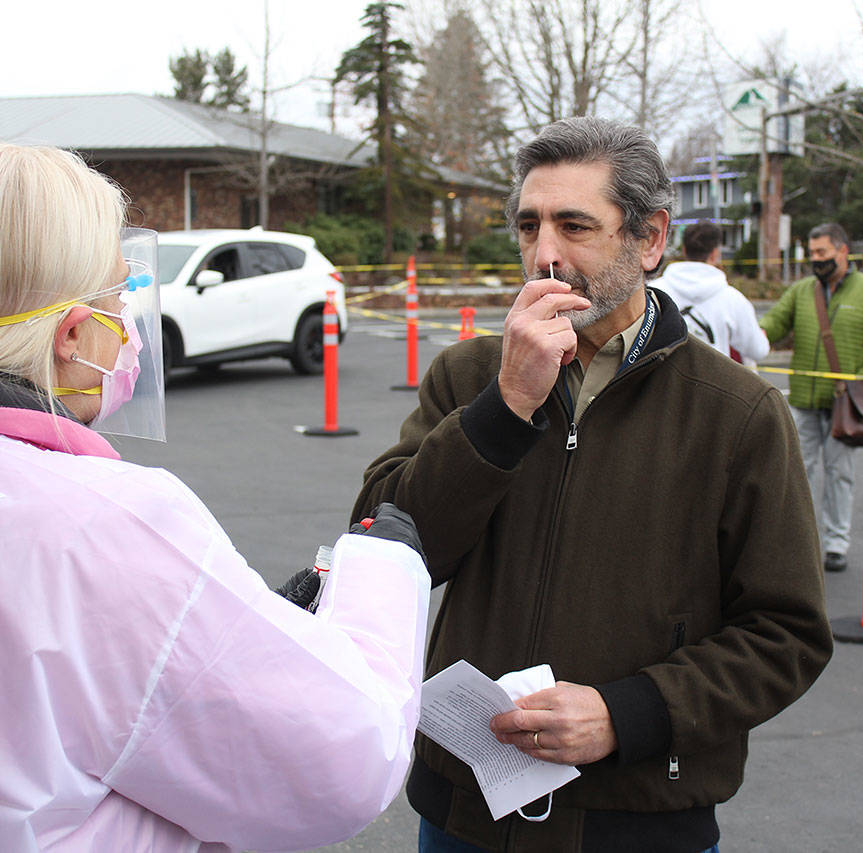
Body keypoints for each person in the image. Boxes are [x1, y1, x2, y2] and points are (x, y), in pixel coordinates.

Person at [0, 143, 430, 852]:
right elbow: (346, 759)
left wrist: (251, 628)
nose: (130, 326)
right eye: (120, 297)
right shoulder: (107, 520)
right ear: (74, 334)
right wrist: (383, 569)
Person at [354, 117, 832, 853]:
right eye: (529, 226)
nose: (545, 255)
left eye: (575, 226)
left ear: (649, 239)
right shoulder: (470, 378)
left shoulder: (736, 414)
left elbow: (787, 632)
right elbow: (384, 547)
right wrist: (503, 409)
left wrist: (630, 712)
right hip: (463, 811)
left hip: (639, 817)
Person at [759, 223, 863, 573]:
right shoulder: (801, 291)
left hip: (845, 405)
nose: (816, 260)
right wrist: (748, 335)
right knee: (796, 473)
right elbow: (772, 325)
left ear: (843, 251)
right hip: (804, 402)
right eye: (812, 254)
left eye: (822, 253)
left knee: (839, 473)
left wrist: (859, 379)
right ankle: (798, 541)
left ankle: (836, 543)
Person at [653, 221, 769, 367]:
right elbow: (758, 350)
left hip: (664, 383)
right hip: (714, 383)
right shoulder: (732, 299)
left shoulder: (653, 292)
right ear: (715, 254)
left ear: (684, 250)